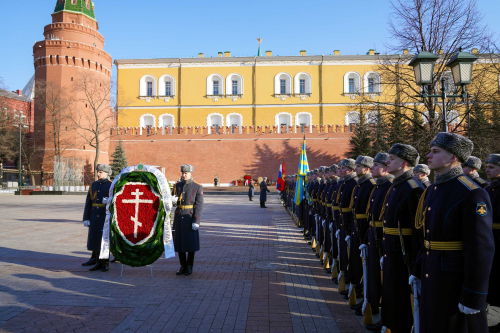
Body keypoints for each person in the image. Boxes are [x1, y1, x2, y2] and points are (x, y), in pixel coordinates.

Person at [411, 133, 494, 333]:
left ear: (453, 157)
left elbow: (481, 249)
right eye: (430, 151)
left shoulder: (472, 192)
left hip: (454, 281)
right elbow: (429, 237)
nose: (428, 155)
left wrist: (474, 295)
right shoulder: (433, 190)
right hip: (433, 272)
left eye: (435, 151)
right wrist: (418, 269)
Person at [380, 143, 424, 333]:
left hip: (403, 254)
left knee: (401, 297)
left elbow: (418, 232)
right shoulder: (396, 186)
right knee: (391, 293)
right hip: (392, 250)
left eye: (392, 158)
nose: (387, 161)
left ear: (404, 162)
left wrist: (416, 265)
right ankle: (390, 326)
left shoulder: (413, 188)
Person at [362, 153, 393, 326]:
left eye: (376, 165)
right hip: (373, 235)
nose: (373, 168)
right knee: (373, 273)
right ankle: (372, 302)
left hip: (388, 241)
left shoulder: (390, 186)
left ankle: (387, 318)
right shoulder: (378, 186)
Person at [348, 156, 376, 306]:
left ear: (367, 169)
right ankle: (356, 286)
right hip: (357, 227)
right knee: (354, 260)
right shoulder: (359, 184)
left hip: (365, 229)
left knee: (363, 265)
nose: (356, 168)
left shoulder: (370, 185)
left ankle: (362, 292)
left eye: (359, 166)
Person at [172, 164, 204, 276]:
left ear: (191, 174)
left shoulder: (197, 186)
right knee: (179, 242)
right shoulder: (177, 186)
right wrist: (172, 201)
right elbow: (173, 200)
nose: (183, 175)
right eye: (182, 173)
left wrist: (196, 221)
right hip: (179, 216)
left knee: (190, 243)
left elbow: (199, 206)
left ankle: (189, 266)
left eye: (186, 173)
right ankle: (182, 266)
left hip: (189, 217)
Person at [82, 164, 113, 272]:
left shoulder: (112, 185)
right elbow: (88, 202)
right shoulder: (93, 185)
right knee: (94, 238)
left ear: (107, 173)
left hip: (105, 216)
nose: (98, 174)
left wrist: (109, 201)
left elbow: (117, 201)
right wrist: (86, 217)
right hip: (94, 215)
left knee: (104, 240)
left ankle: (105, 262)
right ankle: (97, 261)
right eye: (98, 172)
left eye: (100, 172)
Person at [485, 154, 500, 332]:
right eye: (487, 166)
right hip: (490, 239)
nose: (487, 169)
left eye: (492, 167)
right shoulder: (488, 189)